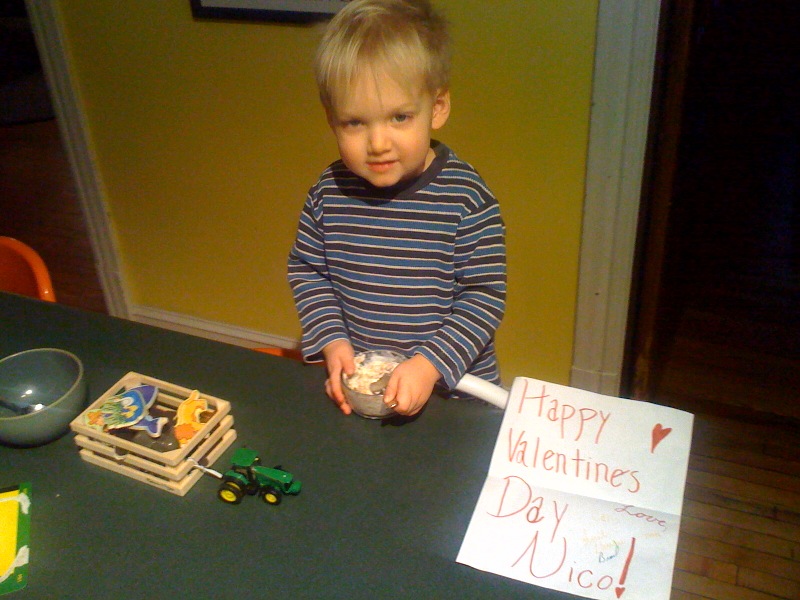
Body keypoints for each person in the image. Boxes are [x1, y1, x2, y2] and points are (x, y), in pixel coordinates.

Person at [287, 0, 506, 416]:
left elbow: (484, 296)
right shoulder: (327, 193)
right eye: (355, 122)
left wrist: (428, 366)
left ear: (437, 108)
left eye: (399, 117)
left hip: (454, 397)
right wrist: (332, 340)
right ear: (331, 119)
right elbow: (308, 272)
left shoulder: (467, 199)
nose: (378, 143)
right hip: (366, 388)